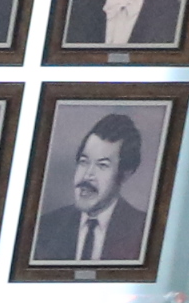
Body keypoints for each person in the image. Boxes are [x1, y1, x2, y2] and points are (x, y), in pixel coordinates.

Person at [32, 111, 151, 267]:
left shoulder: (144, 231)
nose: (87, 175)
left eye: (102, 165)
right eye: (84, 162)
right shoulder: (45, 227)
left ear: (125, 174)